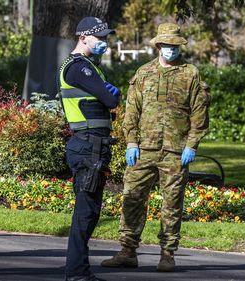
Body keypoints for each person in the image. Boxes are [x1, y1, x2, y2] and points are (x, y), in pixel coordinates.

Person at [101, 23, 210, 272]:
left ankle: (167, 254)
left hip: (175, 150)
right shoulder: (143, 73)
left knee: (172, 203)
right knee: (132, 198)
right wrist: (130, 141)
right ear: (158, 46)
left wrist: (192, 145)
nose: (171, 49)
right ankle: (127, 251)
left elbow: (199, 113)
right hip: (144, 149)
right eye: (167, 45)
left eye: (175, 45)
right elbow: (132, 111)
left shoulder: (190, 74)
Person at [59, 16, 119, 281]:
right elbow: (109, 98)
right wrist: (111, 95)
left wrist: (109, 97)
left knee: (89, 209)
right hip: (88, 145)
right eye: (99, 38)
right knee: (86, 210)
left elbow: (105, 102)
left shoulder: (88, 67)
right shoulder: (78, 68)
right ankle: (77, 272)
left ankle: (78, 269)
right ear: (83, 37)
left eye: (106, 38)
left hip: (91, 144)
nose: (104, 42)